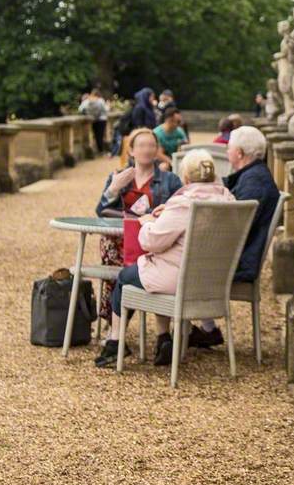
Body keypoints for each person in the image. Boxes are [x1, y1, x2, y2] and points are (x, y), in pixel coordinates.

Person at [95, 149, 235, 369]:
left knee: (124, 277)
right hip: (214, 281)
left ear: (186, 178)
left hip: (179, 279)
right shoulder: (229, 201)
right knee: (152, 271)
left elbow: (151, 242)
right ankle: (163, 339)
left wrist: (148, 222)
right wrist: (167, 211)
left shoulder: (185, 204)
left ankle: (116, 341)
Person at [191, 124, 279, 351]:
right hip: (241, 253)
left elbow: (232, 229)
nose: (227, 152)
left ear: (239, 153)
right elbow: (228, 186)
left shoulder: (254, 182)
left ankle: (193, 331)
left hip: (239, 261)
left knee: (180, 259)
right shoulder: (254, 174)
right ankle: (201, 330)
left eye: (229, 148)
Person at [95, 127, 183, 328]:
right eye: (142, 145)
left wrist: (151, 217)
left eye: (152, 145)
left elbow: (177, 215)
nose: (147, 150)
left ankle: (123, 330)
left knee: (139, 264)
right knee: (112, 250)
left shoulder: (170, 180)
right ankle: (115, 327)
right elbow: (101, 211)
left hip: (154, 242)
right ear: (131, 151)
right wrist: (113, 189)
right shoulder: (118, 176)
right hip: (121, 240)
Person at [78, 88, 109, 154]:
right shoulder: (101, 100)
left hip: (93, 119)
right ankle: (101, 150)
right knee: (100, 135)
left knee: (95, 135)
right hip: (102, 119)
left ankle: (98, 149)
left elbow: (80, 109)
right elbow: (106, 109)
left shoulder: (88, 100)